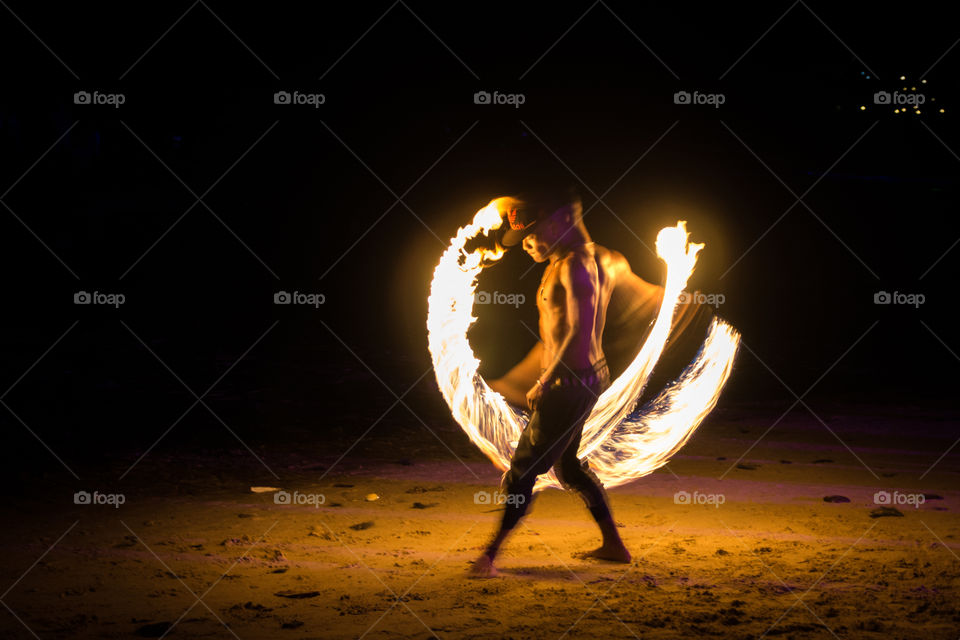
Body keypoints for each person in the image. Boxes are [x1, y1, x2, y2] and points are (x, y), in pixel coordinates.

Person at [469, 188, 633, 578]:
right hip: (582, 378)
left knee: (523, 471)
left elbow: (578, 329)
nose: (527, 244)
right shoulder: (573, 260)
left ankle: (489, 557)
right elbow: (560, 332)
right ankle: (614, 545)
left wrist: (548, 378)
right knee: (569, 467)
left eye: (531, 235)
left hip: (569, 384)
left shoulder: (573, 266)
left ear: (556, 223)